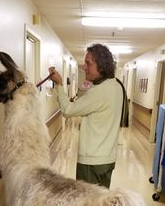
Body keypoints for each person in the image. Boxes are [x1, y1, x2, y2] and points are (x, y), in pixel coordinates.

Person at [48, 43, 123, 188]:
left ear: (101, 66)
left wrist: (59, 84)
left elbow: (68, 110)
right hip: (108, 159)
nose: (84, 67)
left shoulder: (99, 92)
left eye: (88, 63)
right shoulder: (116, 86)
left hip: (92, 162)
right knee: (100, 202)